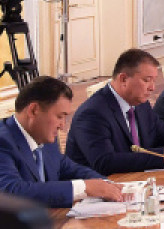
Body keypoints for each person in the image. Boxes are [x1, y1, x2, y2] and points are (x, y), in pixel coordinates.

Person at [0, 77, 122, 207]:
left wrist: (105, 184)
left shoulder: (45, 136)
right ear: (33, 110)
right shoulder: (3, 141)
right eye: (59, 116)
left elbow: (67, 168)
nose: (63, 126)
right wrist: (84, 188)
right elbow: (11, 191)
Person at [66, 49, 164, 175]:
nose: (152, 88)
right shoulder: (92, 113)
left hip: (136, 179)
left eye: (154, 80)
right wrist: (162, 156)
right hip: (98, 183)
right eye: (147, 80)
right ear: (123, 79)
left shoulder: (141, 103)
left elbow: (162, 132)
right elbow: (105, 162)